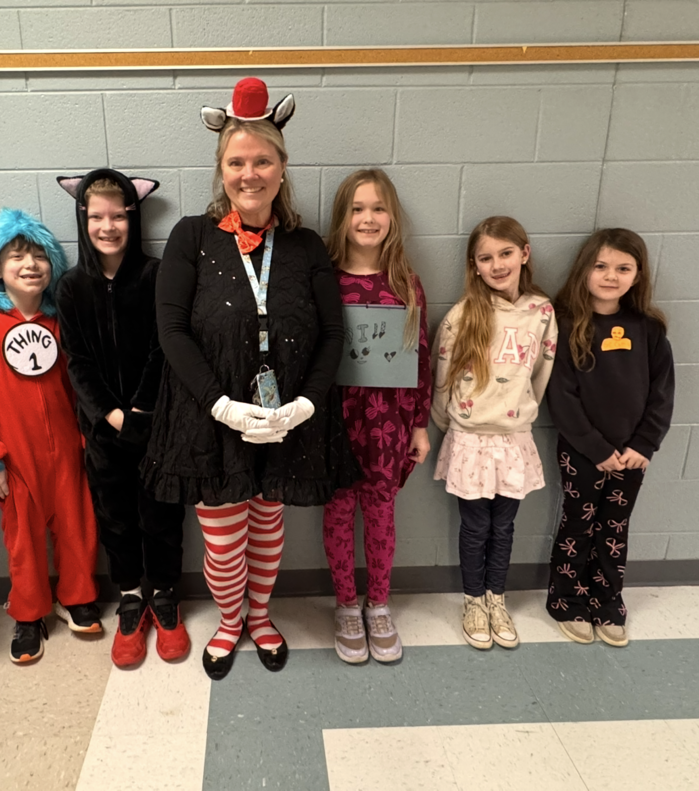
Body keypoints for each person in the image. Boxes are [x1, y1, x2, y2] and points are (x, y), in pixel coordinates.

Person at [141, 77, 359, 680]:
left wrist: (307, 406)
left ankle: (260, 616)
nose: (250, 173)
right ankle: (229, 620)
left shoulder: (306, 244)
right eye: (237, 161)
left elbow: (332, 335)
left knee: (268, 521)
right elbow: (172, 332)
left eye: (263, 160)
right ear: (222, 169)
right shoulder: (190, 237)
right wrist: (222, 406)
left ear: (282, 168)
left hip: (286, 417)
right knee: (222, 535)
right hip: (212, 419)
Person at [55, 169, 189, 668]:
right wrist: (111, 417)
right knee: (117, 519)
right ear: (83, 219)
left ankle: (166, 597)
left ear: (133, 217)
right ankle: (131, 597)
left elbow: (163, 348)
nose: (107, 226)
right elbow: (78, 362)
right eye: (96, 217)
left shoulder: (155, 276)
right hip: (103, 432)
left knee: (162, 516)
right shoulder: (71, 287)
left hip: (157, 427)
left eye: (118, 216)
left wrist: (141, 412)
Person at [0, 208, 100, 664]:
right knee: (23, 538)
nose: (30, 264)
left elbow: (79, 386)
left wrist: (87, 442)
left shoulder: (62, 323)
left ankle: (77, 596)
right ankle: (29, 611)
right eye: (17, 256)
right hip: (14, 458)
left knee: (78, 527)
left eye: (39, 254)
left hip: (67, 451)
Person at [431, 216, 557, 651]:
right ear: (475, 265)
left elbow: (541, 374)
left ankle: (495, 597)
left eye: (506, 253)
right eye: (486, 257)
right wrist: (453, 425)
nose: (497, 264)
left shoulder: (541, 313)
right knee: (474, 526)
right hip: (469, 439)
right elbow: (441, 376)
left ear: (524, 254)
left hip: (514, 437)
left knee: (504, 527)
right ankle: (472, 601)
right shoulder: (463, 316)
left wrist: (518, 414)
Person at [321, 170, 431, 665]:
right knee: (340, 511)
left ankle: (378, 603)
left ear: (393, 218)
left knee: (382, 512)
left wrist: (422, 423)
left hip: (390, 422)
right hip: (336, 419)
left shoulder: (406, 282)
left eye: (379, 208)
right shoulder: (323, 279)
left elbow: (421, 355)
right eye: (358, 208)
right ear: (343, 217)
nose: (368, 218)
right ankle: (346, 604)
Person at [545, 229, 674, 648]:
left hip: (632, 455)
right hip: (583, 451)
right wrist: (595, 448)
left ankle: (608, 599)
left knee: (614, 528)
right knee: (578, 523)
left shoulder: (649, 330)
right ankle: (567, 600)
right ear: (585, 270)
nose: (610, 276)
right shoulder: (566, 326)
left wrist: (643, 445)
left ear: (637, 276)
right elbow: (560, 396)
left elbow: (662, 393)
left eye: (623, 268)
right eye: (601, 266)